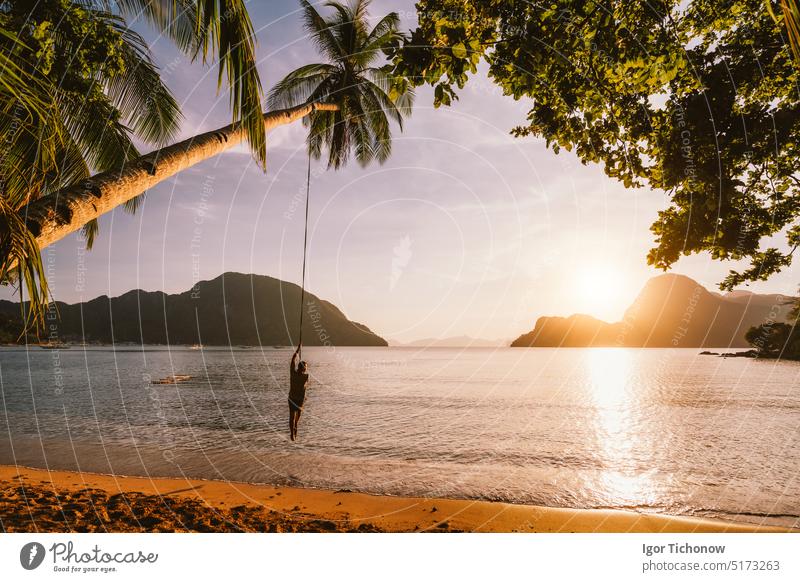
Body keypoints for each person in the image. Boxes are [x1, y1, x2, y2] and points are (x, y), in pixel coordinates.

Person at [288, 344, 309, 441]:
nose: (306, 368)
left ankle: (292, 433)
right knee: (296, 417)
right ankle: (295, 428)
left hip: (292, 398)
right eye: (305, 367)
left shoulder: (292, 373)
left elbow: (292, 360)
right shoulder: (306, 377)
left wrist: (297, 350)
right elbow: (306, 385)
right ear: (304, 369)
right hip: (299, 400)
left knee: (292, 416)